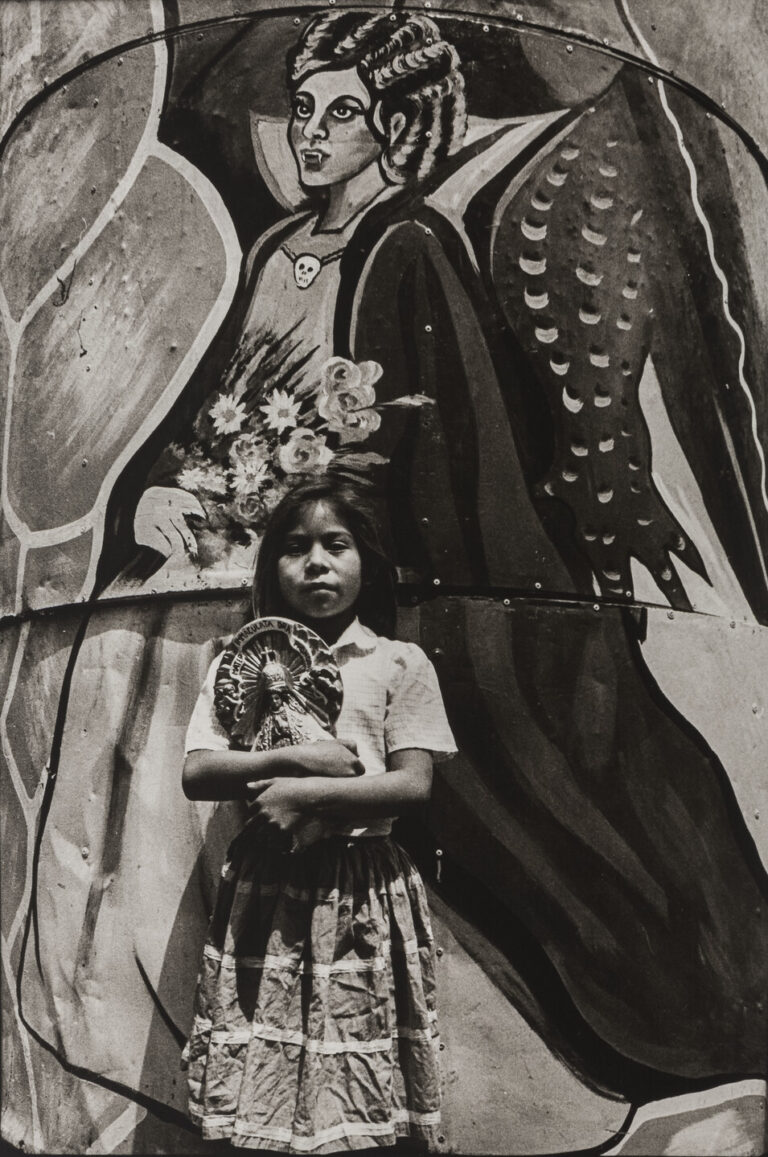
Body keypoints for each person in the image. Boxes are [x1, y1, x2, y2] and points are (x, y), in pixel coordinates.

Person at [180, 476, 457, 1152]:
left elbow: (412, 784)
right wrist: (303, 764)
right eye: (296, 548)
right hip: (266, 890)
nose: (317, 563)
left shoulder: (396, 661)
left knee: (353, 1056)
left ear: (367, 560)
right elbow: (198, 771)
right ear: (272, 567)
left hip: (360, 889)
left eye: (337, 545)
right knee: (264, 1057)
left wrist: (307, 797)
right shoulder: (239, 660)